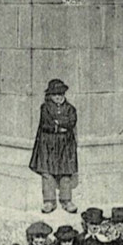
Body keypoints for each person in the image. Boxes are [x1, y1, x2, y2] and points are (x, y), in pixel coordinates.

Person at [29, 79, 78, 214]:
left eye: (61, 94)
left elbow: (71, 122)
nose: (58, 97)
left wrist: (58, 124)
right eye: (55, 94)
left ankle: (66, 200)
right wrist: (60, 125)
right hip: (48, 144)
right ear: (50, 95)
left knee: (66, 172)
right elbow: (46, 124)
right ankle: (49, 201)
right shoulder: (45, 108)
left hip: (65, 145)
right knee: (47, 172)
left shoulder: (70, 108)